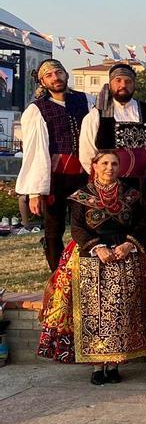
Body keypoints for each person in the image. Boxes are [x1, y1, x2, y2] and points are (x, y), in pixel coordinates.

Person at [37, 150, 146, 384]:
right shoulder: (81, 196)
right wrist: (97, 247)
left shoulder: (131, 195)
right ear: (95, 166)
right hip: (90, 256)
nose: (109, 168)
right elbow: (78, 227)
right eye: (104, 163)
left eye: (113, 164)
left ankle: (114, 364)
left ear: (119, 167)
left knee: (120, 311)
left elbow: (143, 224)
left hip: (123, 254)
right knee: (92, 312)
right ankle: (96, 366)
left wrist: (128, 245)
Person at [15, 58, 94, 270]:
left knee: (87, 224)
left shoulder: (86, 100)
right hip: (55, 178)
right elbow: (34, 150)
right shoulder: (36, 110)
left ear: (66, 75)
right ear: (42, 81)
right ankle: (57, 274)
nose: (55, 77)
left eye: (58, 72)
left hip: (84, 176)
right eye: (48, 75)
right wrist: (35, 191)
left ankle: (84, 269)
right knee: (53, 228)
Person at [79, 63, 146, 206]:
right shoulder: (96, 114)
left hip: (142, 183)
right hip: (108, 184)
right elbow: (87, 152)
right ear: (110, 83)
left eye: (128, 81)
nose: (123, 85)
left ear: (134, 84)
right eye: (118, 81)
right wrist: (101, 178)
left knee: (141, 225)